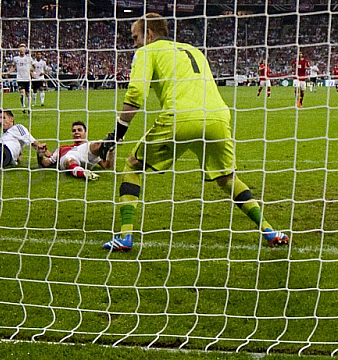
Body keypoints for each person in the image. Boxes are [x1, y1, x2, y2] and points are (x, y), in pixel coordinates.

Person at [98, 13, 289, 252]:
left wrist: (117, 134)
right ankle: (270, 230)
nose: (134, 43)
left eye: (135, 37)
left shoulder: (147, 51)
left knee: (132, 166)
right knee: (227, 177)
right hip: (218, 117)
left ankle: (126, 236)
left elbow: (136, 93)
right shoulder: (194, 50)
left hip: (182, 117)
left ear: (148, 34)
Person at [35, 121, 114, 181]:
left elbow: (107, 166)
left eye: (79, 130)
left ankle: (112, 140)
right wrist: (39, 153)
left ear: (85, 133)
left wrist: (111, 152)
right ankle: (83, 173)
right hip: (70, 157)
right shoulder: (62, 148)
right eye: (74, 131)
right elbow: (45, 164)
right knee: (69, 160)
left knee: (96, 144)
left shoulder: (89, 147)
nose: (76, 132)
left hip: (85, 153)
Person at [9, 43, 33, 113]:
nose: (22, 50)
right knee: (22, 92)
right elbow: (13, 67)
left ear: (25, 49)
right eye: (20, 48)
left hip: (27, 78)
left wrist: (33, 73)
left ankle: (29, 107)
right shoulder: (16, 58)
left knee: (28, 94)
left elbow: (32, 66)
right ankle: (23, 107)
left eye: (23, 48)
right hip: (20, 78)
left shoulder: (28, 58)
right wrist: (9, 72)